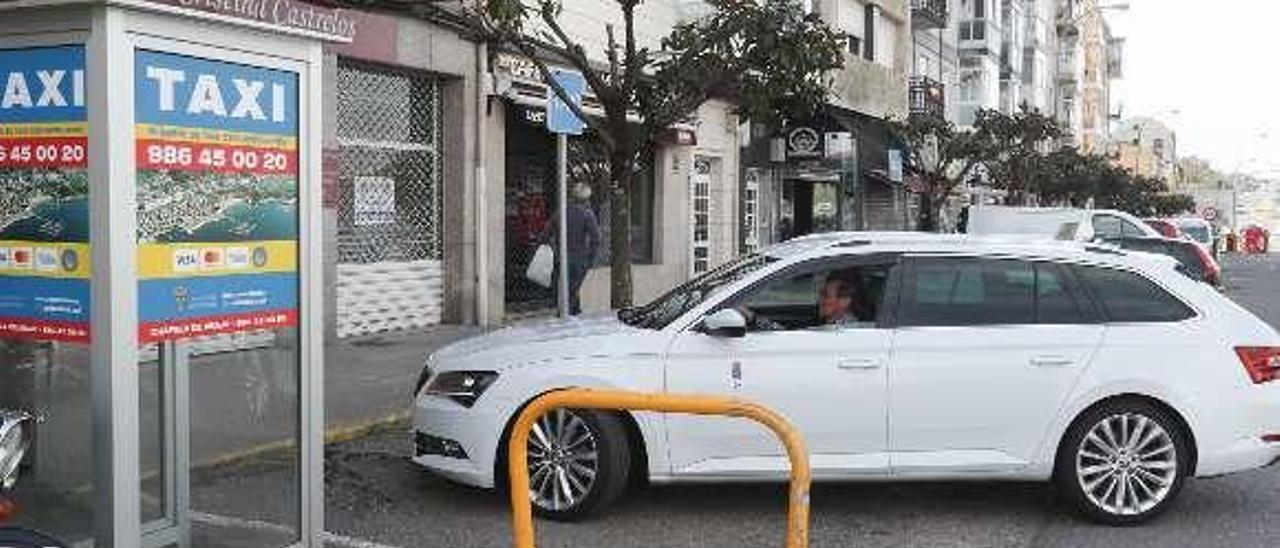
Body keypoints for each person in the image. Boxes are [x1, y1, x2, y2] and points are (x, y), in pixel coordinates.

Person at [547, 183, 602, 315]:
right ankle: (564, 317)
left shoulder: (560, 212)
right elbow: (596, 239)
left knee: (571, 289)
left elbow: (546, 234)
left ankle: (574, 314)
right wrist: (590, 259)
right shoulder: (587, 214)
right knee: (571, 292)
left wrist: (554, 248)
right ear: (586, 199)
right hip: (579, 259)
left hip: (562, 258)